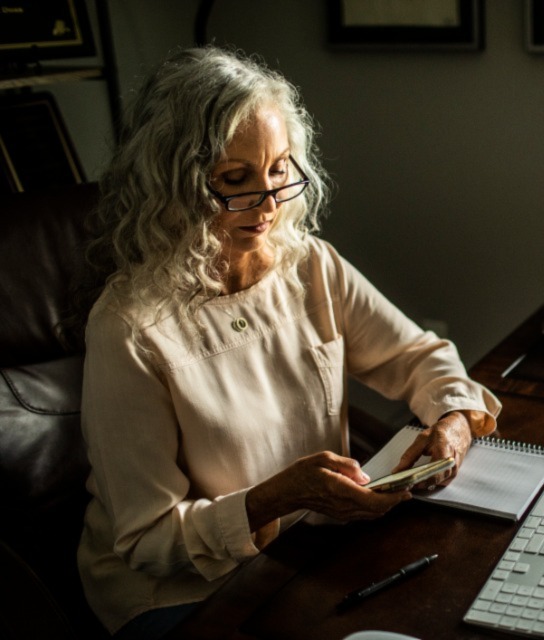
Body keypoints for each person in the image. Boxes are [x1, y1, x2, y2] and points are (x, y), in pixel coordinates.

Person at [75, 46, 501, 639]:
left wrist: (454, 417)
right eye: (235, 179)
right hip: (181, 592)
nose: (271, 203)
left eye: (280, 169)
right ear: (174, 183)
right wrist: (270, 500)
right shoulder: (130, 326)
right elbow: (147, 538)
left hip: (310, 551)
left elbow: (417, 357)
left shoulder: (309, 266)